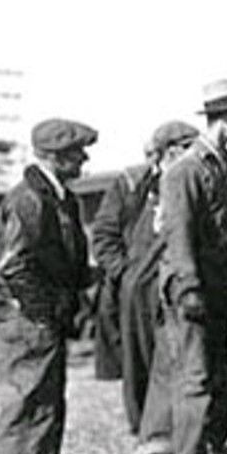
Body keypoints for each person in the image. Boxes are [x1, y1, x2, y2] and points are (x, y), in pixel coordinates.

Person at [0, 118, 98, 454]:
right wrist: (45, 315)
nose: (84, 159)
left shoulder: (59, 199)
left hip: (42, 323)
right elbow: (14, 268)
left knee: (47, 415)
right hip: (28, 324)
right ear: (54, 157)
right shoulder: (28, 200)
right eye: (77, 153)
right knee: (22, 417)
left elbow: (62, 262)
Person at [159, 78, 227, 454]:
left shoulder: (225, 167)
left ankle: (213, 445)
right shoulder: (185, 171)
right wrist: (189, 288)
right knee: (196, 372)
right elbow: (179, 234)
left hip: (223, 284)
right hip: (194, 285)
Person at [125, 121, 200, 454]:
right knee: (168, 359)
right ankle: (158, 435)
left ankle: (160, 435)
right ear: (172, 150)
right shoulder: (162, 183)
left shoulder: (168, 180)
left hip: (160, 279)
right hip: (155, 282)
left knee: (167, 358)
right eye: (187, 146)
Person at [91, 143, 157, 384]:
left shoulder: (186, 179)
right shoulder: (129, 184)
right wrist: (126, 274)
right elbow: (103, 236)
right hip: (135, 292)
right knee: (138, 372)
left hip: (169, 288)